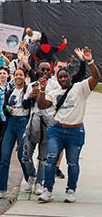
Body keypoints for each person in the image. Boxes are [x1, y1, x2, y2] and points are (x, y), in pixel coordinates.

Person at [37, 46, 100, 203]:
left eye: (65, 77)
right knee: (51, 159)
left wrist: (89, 61)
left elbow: (96, 78)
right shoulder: (55, 93)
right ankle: (47, 190)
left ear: (71, 77)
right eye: (60, 78)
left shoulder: (80, 88)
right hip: (57, 130)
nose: (63, 79)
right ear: (57, 79)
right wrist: (42, 90)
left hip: (75, 131)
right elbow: (42, 105)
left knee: (72, 163)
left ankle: (71, 190)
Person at [0, 65, 32, 198]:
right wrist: (7, 109)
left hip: (23, 122)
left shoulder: (28, 90)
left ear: (25, 77)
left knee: (23, 156)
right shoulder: (10, 91)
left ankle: (30, 179)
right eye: (16, 75)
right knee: (4, 157)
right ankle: (0, 188)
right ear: (13, 77)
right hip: (10, 124)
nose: (18, 77)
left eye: (21, 75)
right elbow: (4, 108)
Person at [21, 60, 57, 195]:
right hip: (33, 124)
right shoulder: (32, 85)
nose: (45, 73)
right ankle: (32, 175)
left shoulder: (55, 85)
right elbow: (24, 105)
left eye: (48, 70)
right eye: (42, 69)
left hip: (48, 124)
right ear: (37, 71)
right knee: (25, 155)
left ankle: (39, 183)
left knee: (43, 158)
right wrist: (30, 97)